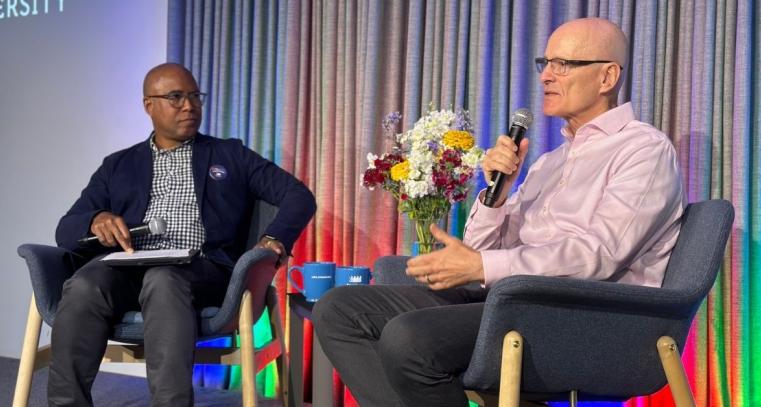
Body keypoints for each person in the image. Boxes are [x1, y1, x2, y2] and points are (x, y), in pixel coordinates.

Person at [313, 17, 684, 407]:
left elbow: (598, 257)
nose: (546, 77)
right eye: (545, 63)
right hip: (511, 303)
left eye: (564, 65)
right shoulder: (550, 163)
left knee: (410, 338)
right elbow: (481, 248)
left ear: (607, 77)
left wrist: (483, 268)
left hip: (584, 319)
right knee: (338, 309)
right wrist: (498, 195)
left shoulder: (643, 151)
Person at [49, 63, 316, 406]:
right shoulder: (118, 165)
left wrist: (274, 237)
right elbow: (65, 228)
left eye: (194, 96)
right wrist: (95, 220)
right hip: (128, 268)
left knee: (163, 278)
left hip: (200, 269)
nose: (189, 106)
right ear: (150, 105)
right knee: (84, 284)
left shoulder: (229, 154)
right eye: (176, 97)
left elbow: (298, 196)